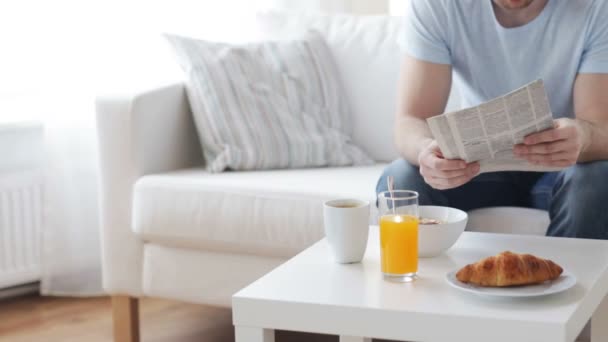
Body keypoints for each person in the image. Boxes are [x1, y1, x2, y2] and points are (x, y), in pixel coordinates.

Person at [377, 0, 608, 239]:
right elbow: (411, 120)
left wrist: (583, 137)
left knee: (597, 181)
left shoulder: (596, 7)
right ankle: (418, 276)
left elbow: (600, 126)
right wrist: (426, 151)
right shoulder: (438, 5)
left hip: (562, 167)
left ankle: (574, 275)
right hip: (476, 166)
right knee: (401, 179)